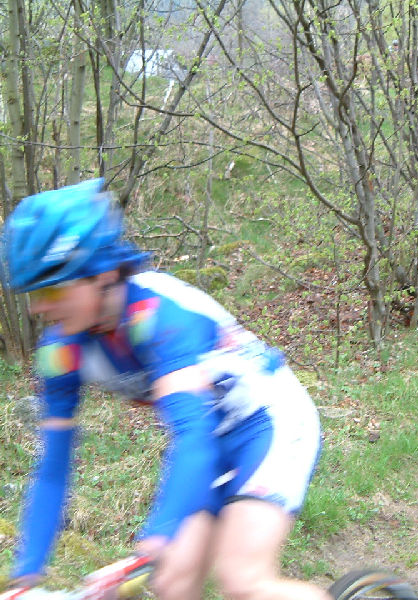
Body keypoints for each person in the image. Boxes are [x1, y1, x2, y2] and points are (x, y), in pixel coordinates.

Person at [2, 179, 330, 600]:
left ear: (100, 274)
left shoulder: (160, 317)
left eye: (51, 289)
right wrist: (26, 575)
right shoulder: (61, 349)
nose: (37, 308)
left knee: (242, 579)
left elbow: (192, 438)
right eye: (32, 294)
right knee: (173, 583)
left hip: (267, 423)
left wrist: (156, 537)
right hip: (209, 439)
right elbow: (53, 466)